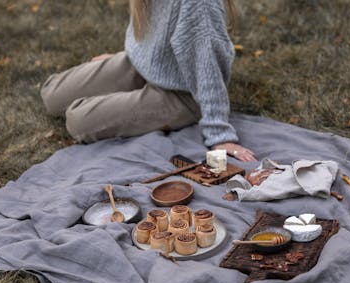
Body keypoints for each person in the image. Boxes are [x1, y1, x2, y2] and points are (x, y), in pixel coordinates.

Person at [40, 0, 256, 162]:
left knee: (77, 120)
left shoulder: (198, 4)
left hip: (183, 94)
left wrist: (219, 135)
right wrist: (132, 54)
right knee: (52, 95)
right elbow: (152, 26)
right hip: (145, 67)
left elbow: (207, 66)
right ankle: (124, 96)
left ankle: (123, 103)